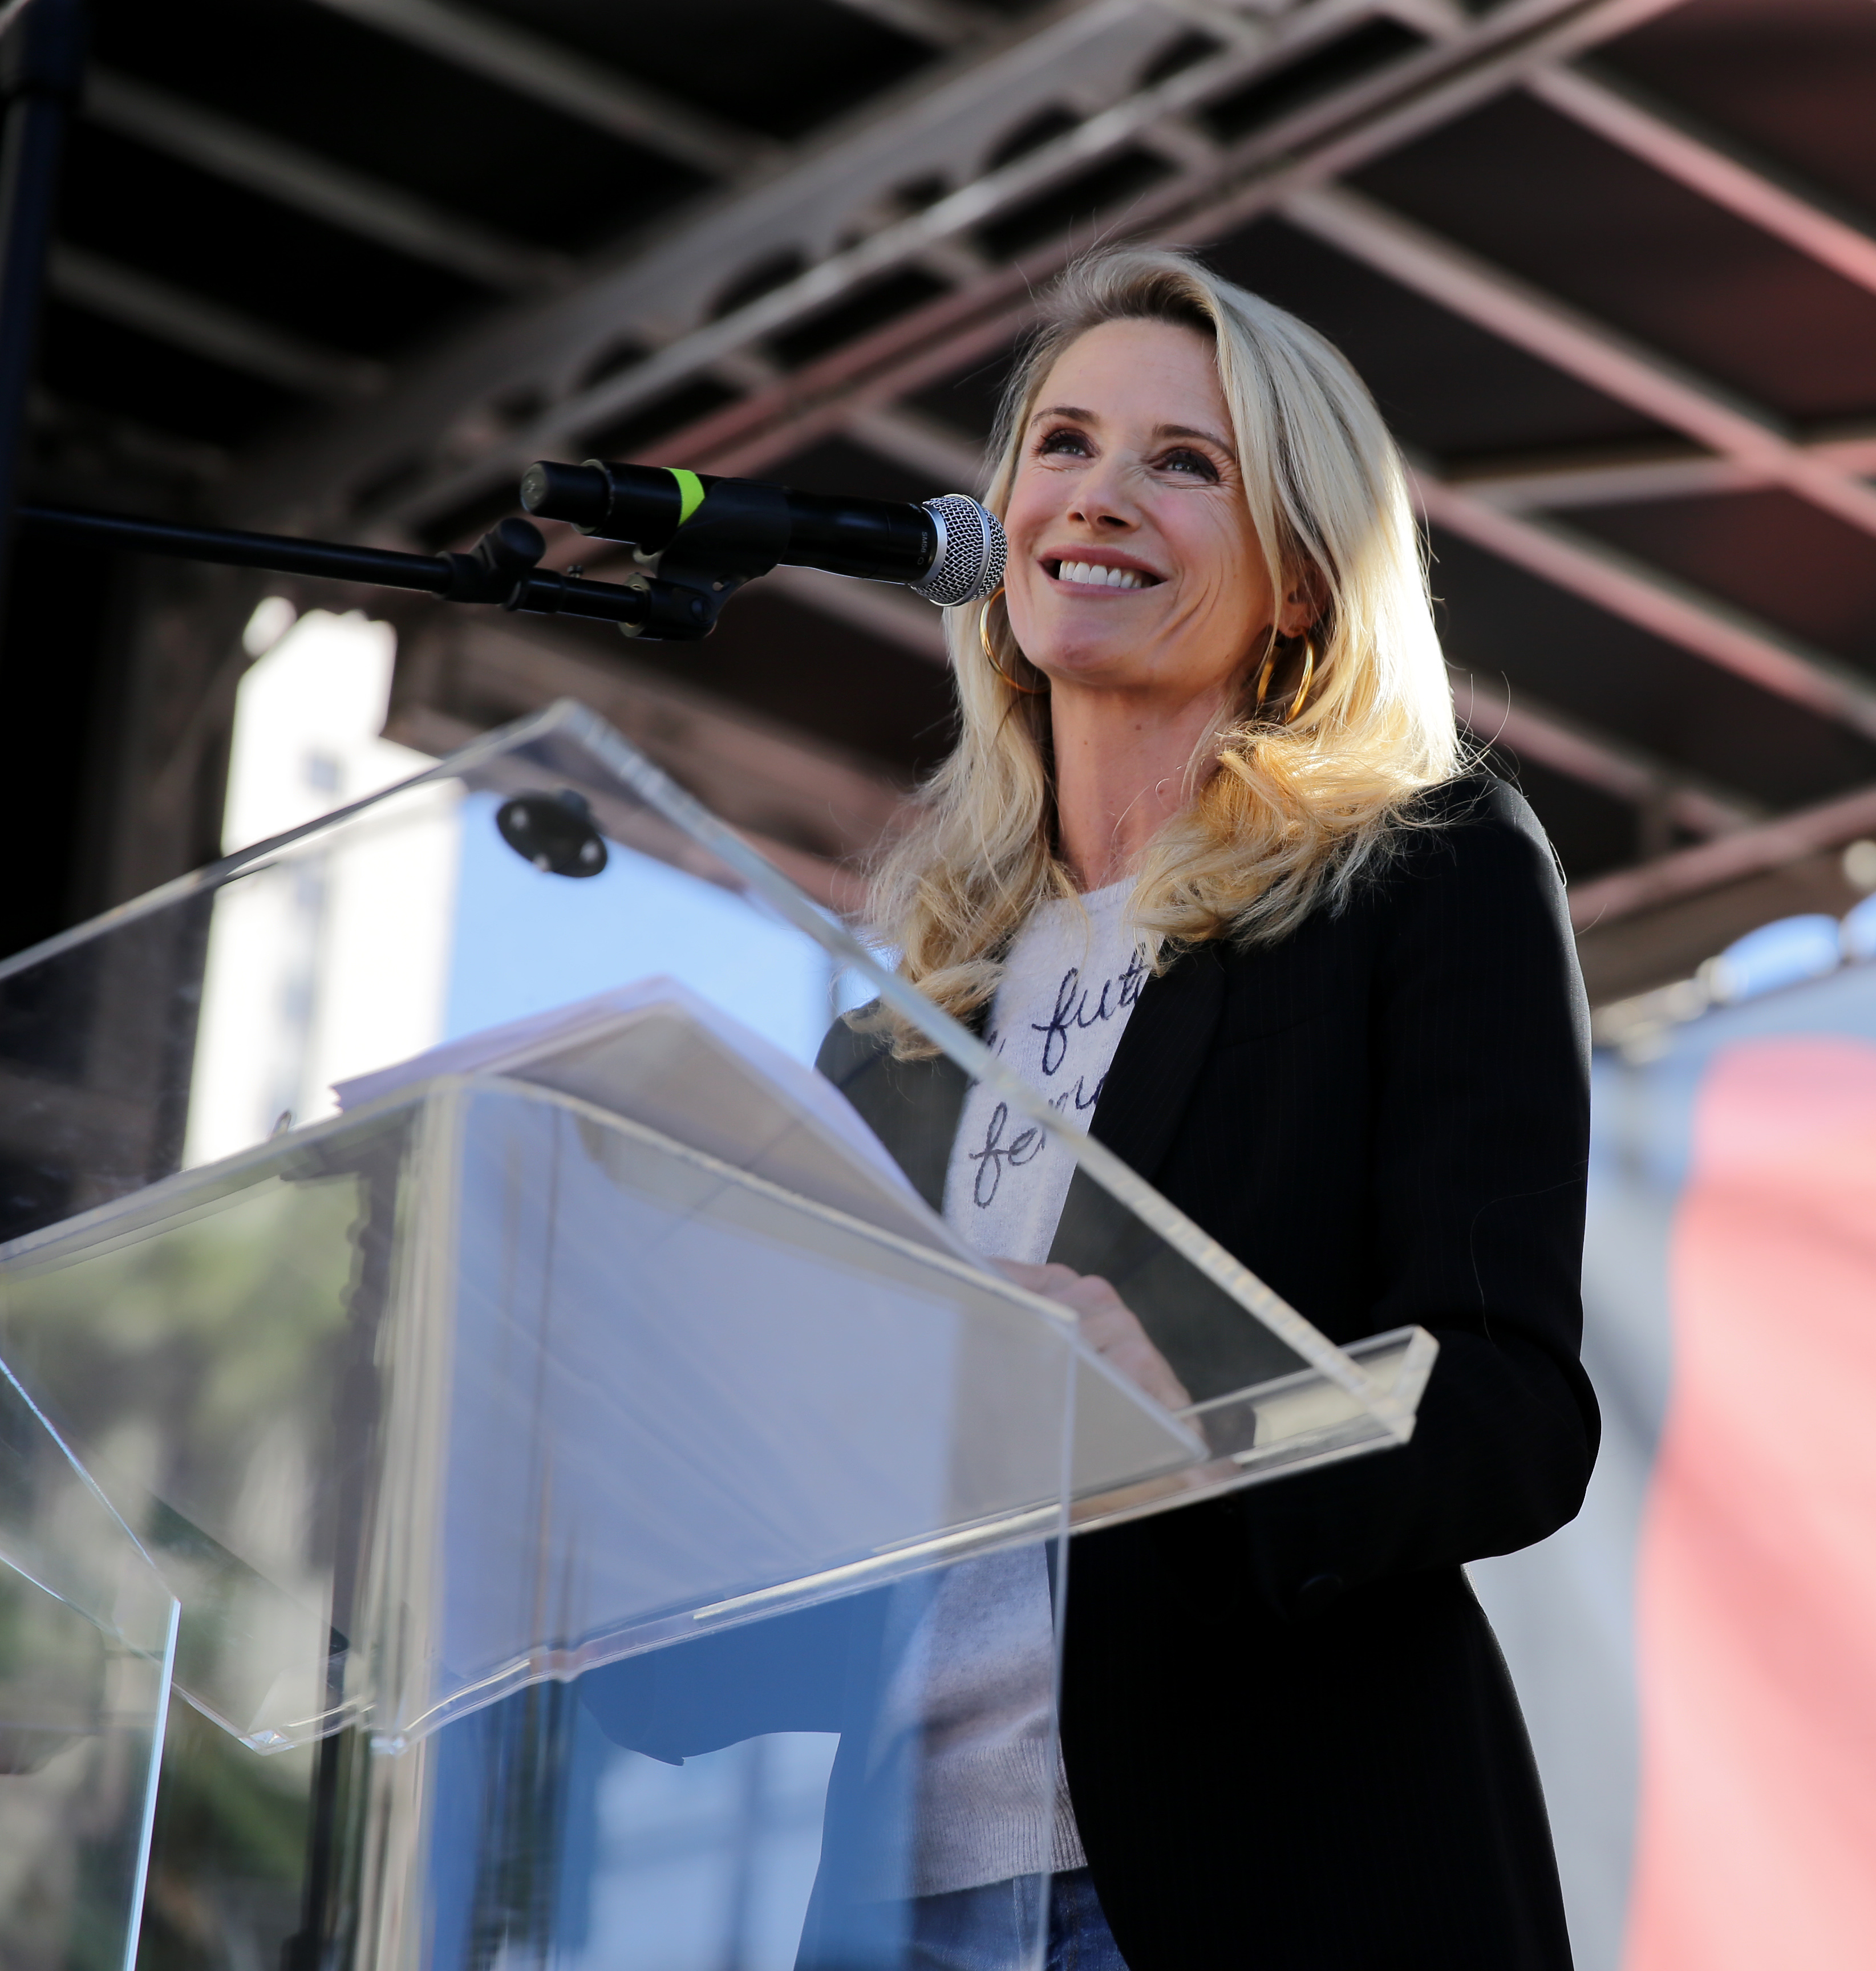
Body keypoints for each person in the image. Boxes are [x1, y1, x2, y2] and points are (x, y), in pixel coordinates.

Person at [593, 246, 1598, 1971]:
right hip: (899, 1898)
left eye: (1183, 462)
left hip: (1264, 1871)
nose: (1095, 494)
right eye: (1060, 444)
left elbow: (1513, 1414)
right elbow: (809, 1578)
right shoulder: (905, 1032)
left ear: (1301, 581)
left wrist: (1201, 1424)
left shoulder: (1420, 879)